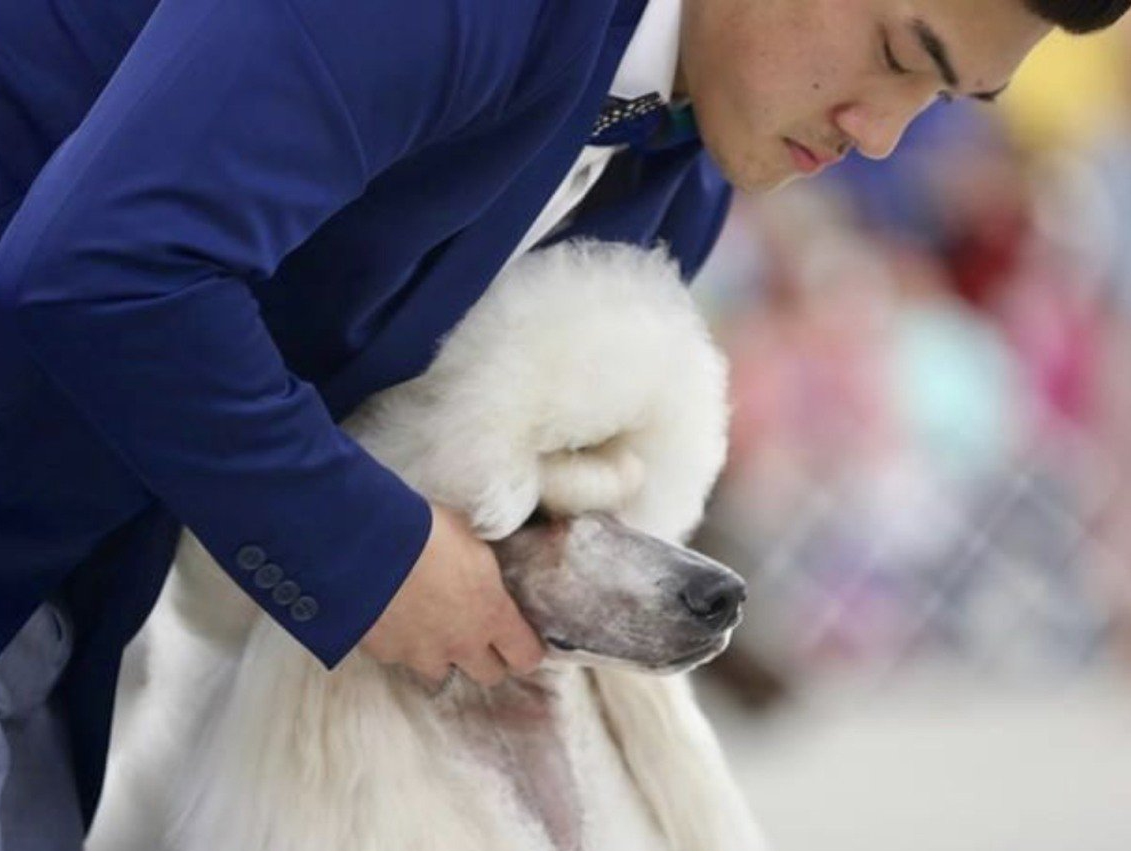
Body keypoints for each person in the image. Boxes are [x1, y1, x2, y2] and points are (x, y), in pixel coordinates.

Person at [0, 0, 1126, 847]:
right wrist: (372, 553)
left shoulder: (683, 175)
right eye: (896, 55)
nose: (884, 138)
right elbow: (107, 271)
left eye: (946, 101)